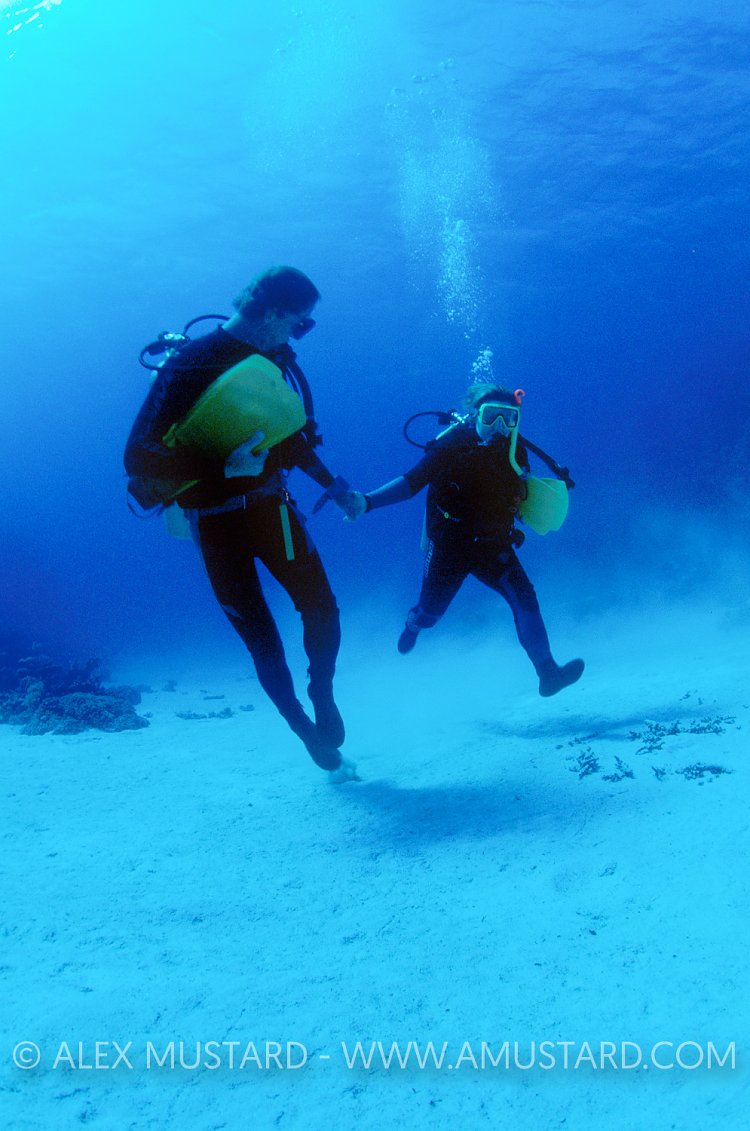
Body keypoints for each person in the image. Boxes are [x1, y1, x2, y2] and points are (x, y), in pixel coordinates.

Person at [124, 266, 359, 780]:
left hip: (270, 509)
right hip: (213, 523)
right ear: (274, 312)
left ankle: (322, 691)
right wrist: (220, 468)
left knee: (322, 609)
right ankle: (301, 726)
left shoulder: (271, 360)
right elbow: (137, 459)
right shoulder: (190, 365)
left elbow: (289, 438)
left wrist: (333, 486)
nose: (299, 335)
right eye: (300, 324)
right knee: (261, 638)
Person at [347, 382, 584, 697]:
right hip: (448, 545)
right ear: (476, 416)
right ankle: (413, 624)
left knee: (525, 597)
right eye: (491, 417)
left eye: (508, 418)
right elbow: (411, 483)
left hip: (492, 545)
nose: (499, 426)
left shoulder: (516, 451)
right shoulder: (452, 445)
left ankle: (548, 673)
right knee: (430, 614)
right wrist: (368, 501)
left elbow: (523, 496)